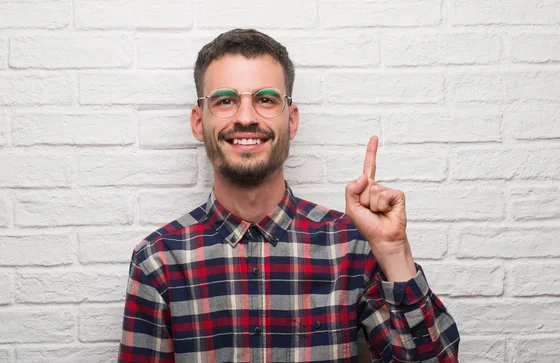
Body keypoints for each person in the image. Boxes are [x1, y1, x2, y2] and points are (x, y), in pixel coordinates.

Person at [118, 28, 459, 363]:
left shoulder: (351, 247)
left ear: (292, 121)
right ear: (198, 122)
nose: (247, 117)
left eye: (265, 99)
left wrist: (393, 251)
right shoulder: (157, 260)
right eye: (225, 101)